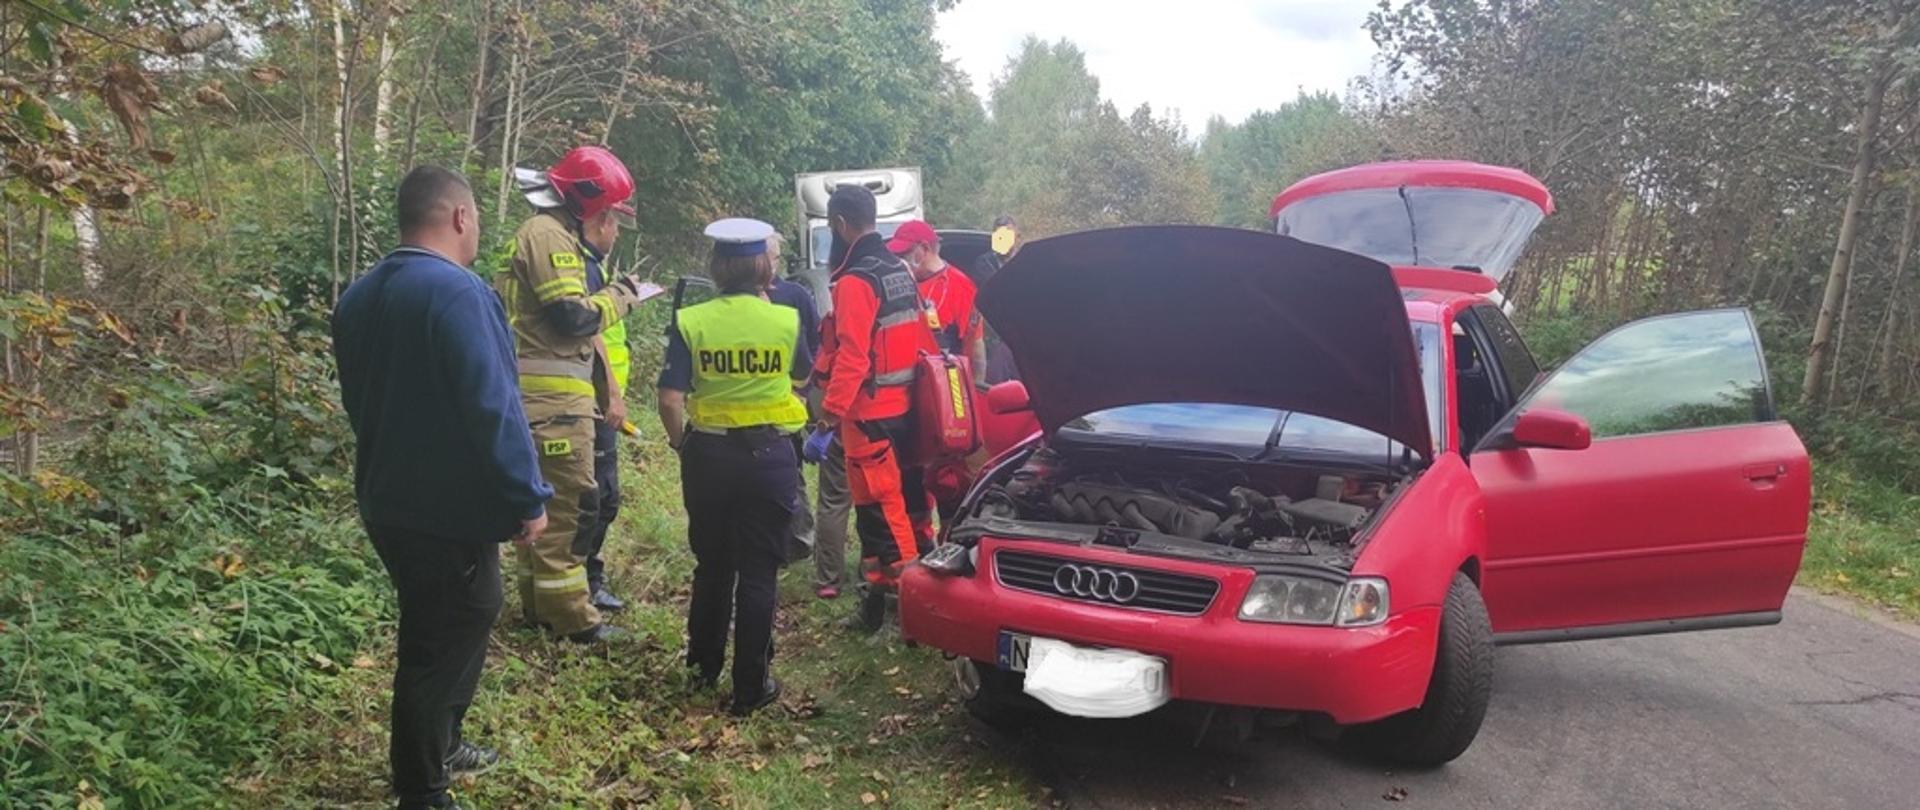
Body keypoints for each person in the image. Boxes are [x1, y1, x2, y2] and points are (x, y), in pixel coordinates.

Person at [333, 166, 546, 810]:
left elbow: (359, 400)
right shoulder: (457, 292)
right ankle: (422, 789)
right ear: (458, 217)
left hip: (387, 496)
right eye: (477, 217)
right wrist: (526, 494)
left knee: (466, 611)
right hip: (443, 507)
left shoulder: (358, 297)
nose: (477, 228)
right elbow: (492, 404)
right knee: (437, 639)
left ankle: (444, 744)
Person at [656, 217, 811, 715]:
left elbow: (670, 397)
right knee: (761, 572)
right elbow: (806, 377)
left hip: (710, 458)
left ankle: (702, 670)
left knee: (713, 566)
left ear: (717, 267)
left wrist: (683, 444)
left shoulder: (691, 320)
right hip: (770, 458)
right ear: (766, 266)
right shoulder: (786, 319)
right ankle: (751, 688)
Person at [494, 145, 647, 643]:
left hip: (543, 400)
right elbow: (574, 318)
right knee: (570, 508)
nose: (614, 228)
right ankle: (574, 623)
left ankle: (540, 610)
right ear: (590, 210)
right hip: (554, 404)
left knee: (543, 510)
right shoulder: (549, 237)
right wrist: (625, 294)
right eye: (611, 218)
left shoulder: (546, 234)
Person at [816, 185, 938, 630]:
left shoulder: (854, 282)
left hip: (868, 416)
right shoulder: (901, 271)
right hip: (906, 408)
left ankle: (905, 611)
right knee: (905, 502)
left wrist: (828, 416)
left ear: (841, 225)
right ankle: (889, 599)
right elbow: (922, 341)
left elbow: (851, 356)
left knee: (881, 512)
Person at [579, 214, 630, 613]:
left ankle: (587, 579)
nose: (616, 233)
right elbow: (591, 334)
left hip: (595, 401)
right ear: (598, 223)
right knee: (598, 496)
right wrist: (609, 392)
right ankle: (583, 585)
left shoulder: (592, 265)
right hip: (591, 402)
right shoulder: (584, 265)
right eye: (614, 224)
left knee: (601, 495)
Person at [764, 234, 824, 567]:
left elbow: (815, 343)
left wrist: (804, 389)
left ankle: (800, 539)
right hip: (754, 402)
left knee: (792, 469)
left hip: (789, 400)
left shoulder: (795, 295)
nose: (768, 264)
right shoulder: (740, 299)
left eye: (772, 257)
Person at [970, 215, 1023, 385]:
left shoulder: (1025, 260)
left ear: (1017, 236)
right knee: (994, 380)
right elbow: (996, 292)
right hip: (993, 332)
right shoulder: (984, 263)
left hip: (1022, 330)